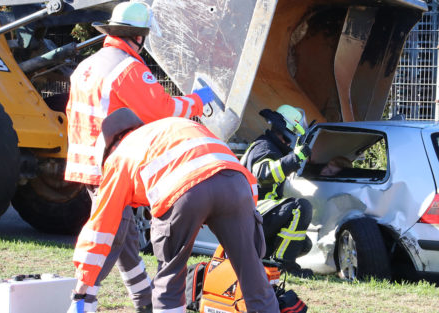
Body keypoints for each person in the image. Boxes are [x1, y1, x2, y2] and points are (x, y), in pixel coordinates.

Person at [64, 2, 215, 312]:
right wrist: (199, 102)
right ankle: (83, 299)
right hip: (111, 166)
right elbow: (163, 110)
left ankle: (143, 299)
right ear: (139, 37)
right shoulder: (128, 68)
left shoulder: (87, 65)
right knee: (112, 235)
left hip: (86, 162)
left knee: (126, 238)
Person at [71, 109, 279, 313]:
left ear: (109, 148)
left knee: (170, 276)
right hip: (237, 185)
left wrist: (83, 285)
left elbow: (101, 226)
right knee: (254, 278)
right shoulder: (170, 128)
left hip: (183, 191)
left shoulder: (119, 156)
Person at [241, 104, 314, 278]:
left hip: (256, 218)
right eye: (293, 137)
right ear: (287, 131)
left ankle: (264, 259)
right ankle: (284, 265)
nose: (292, 142)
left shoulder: (272, 147)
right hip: (251, 216)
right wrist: (295, 158)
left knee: (303, 244)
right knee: (300, 207)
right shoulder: (264, 147)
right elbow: (265, 174)